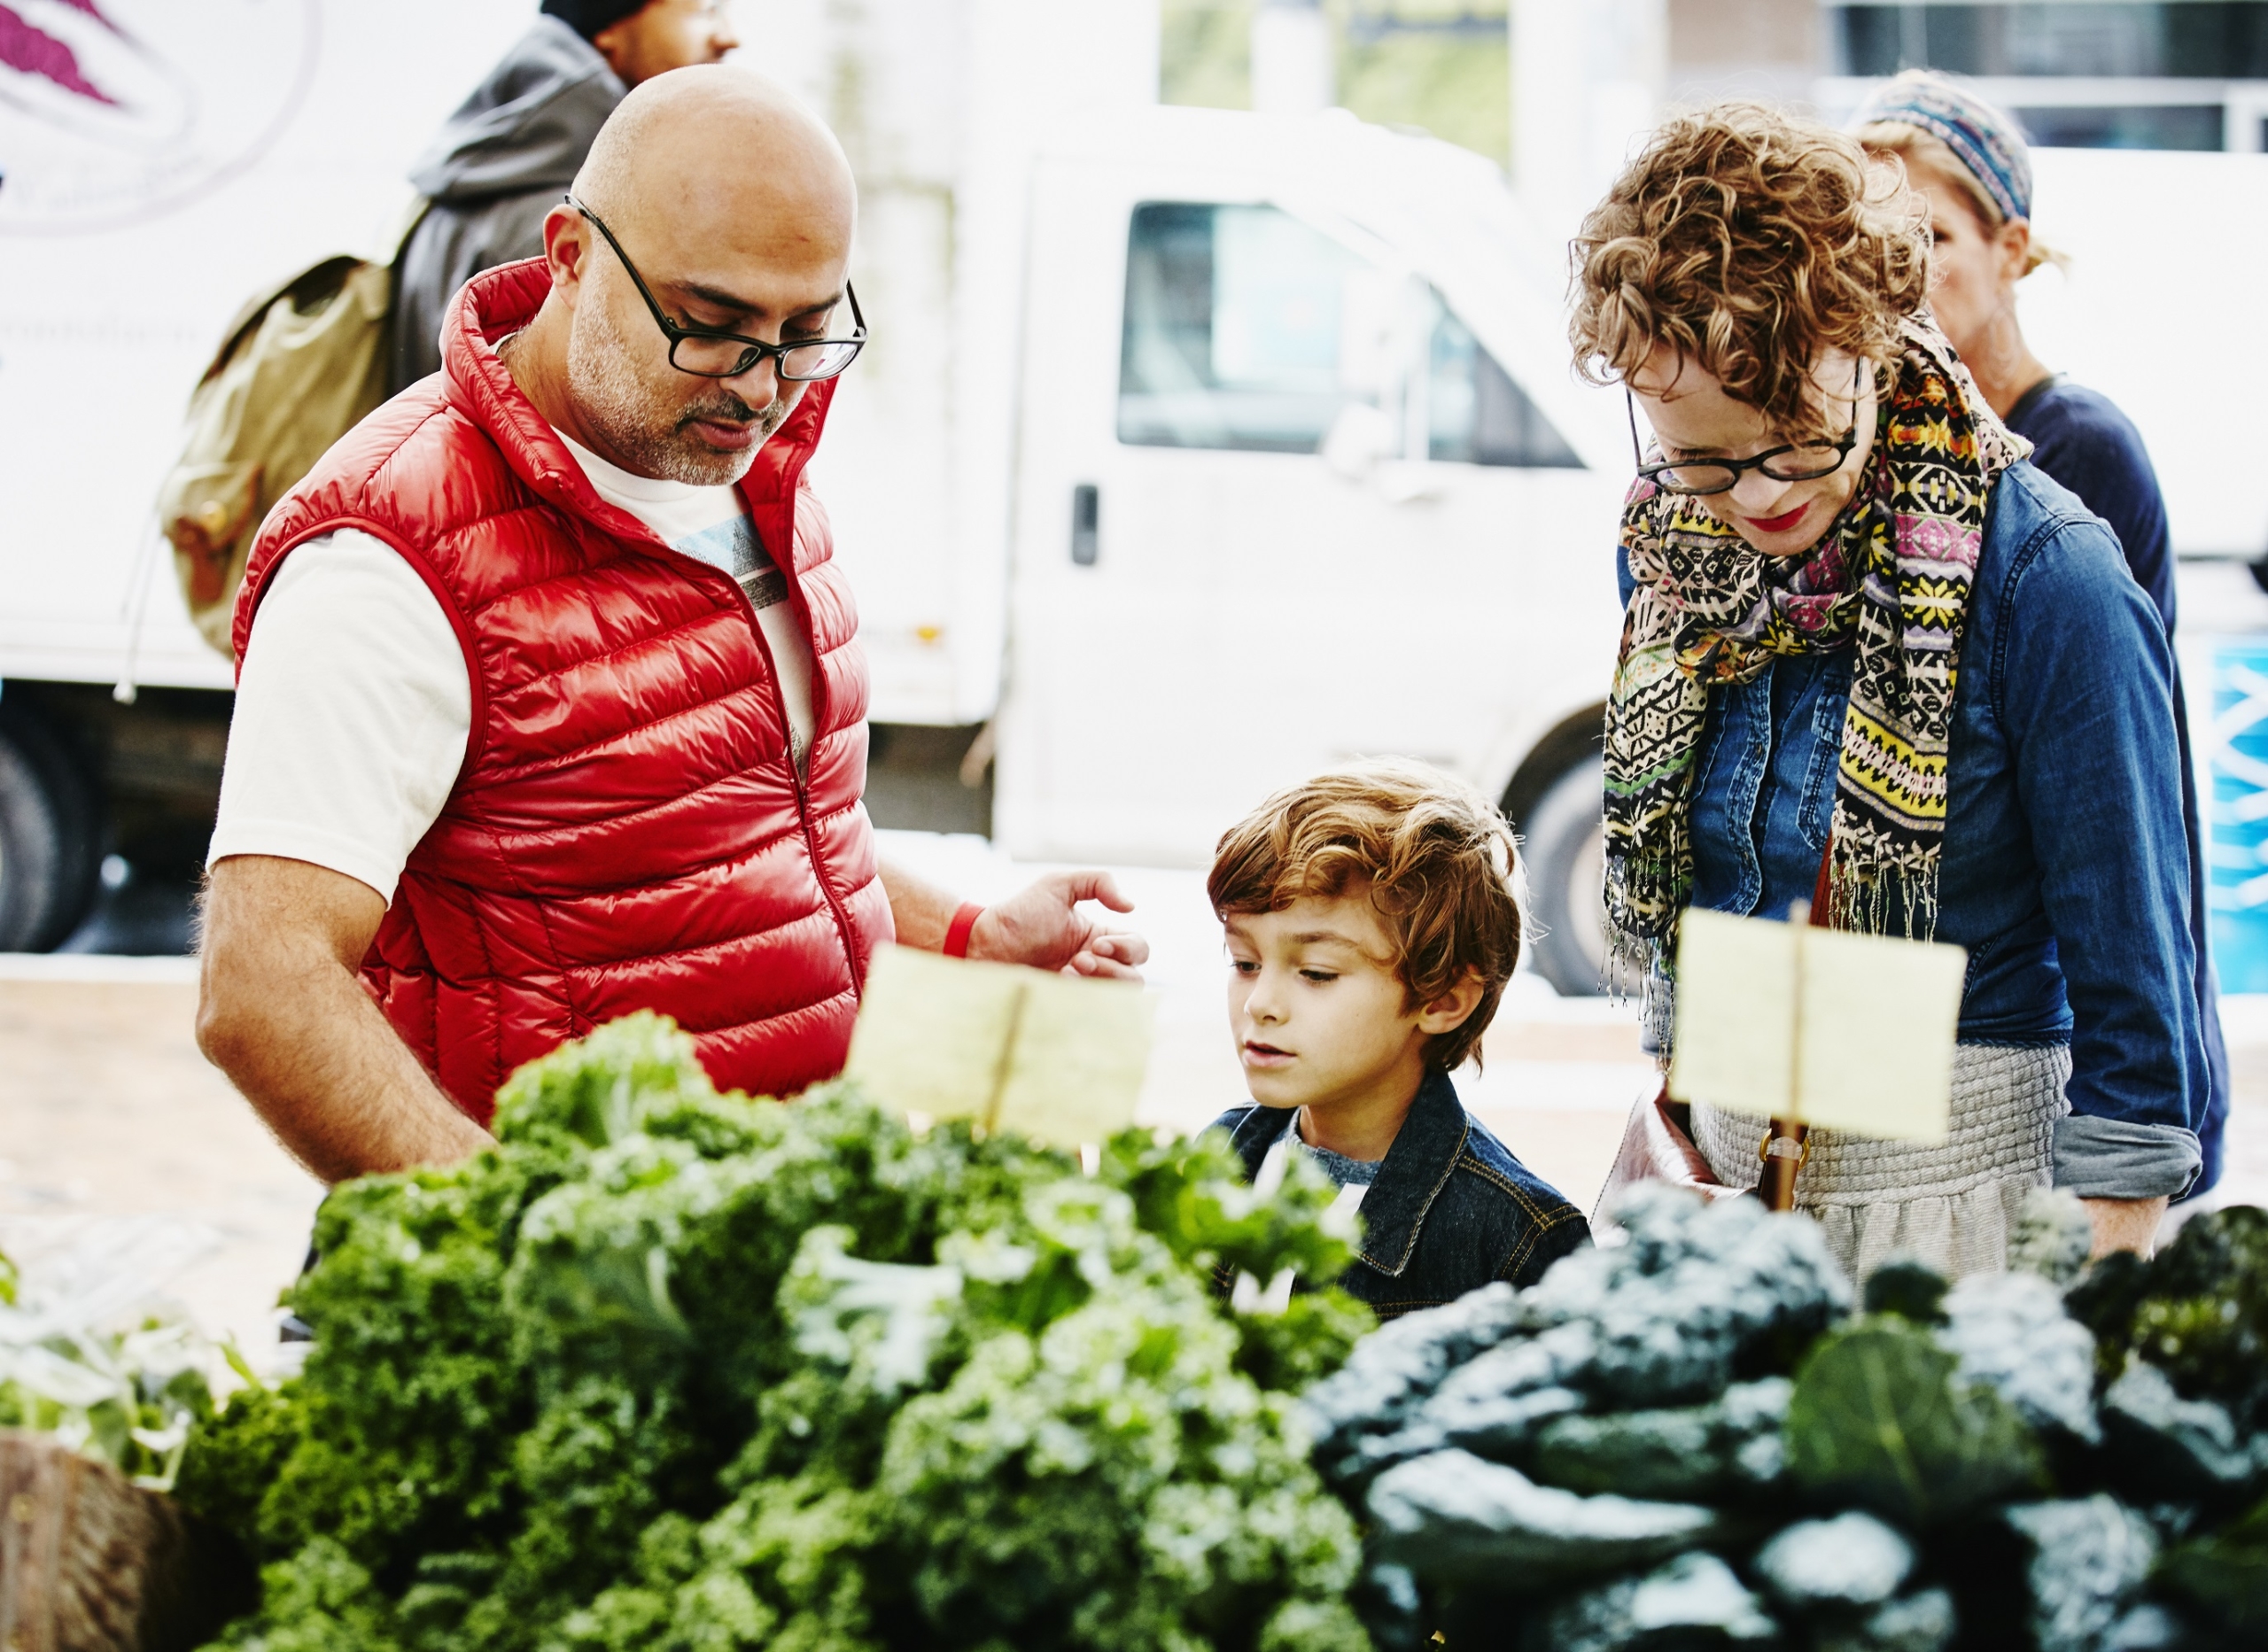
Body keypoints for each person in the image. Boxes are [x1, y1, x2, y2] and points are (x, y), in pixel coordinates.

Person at [197, 67, 1146, 1185]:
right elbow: (262, 989)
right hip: (588, 1302)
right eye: (712, 325)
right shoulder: (386, 560)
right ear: (567, 254)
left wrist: (965, 935)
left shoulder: (747, 467)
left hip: (768, 1240)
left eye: (807, 329)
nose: (762, 384)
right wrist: (528, 1259)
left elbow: (739, 827)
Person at [1574, 105, 2205, 1277]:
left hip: (1960, 1210)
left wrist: (2087, 1300)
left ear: (1871, 330)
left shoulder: (2046, 581)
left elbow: (2140, 1003)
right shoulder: (1671, 553)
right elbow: (1692, 897)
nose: (1753, 498)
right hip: (1725, 1197)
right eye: (1701, 455)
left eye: (1798, 439)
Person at [1852, 71, 2230, 1198]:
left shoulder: (2072, 452)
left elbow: (2100, 792)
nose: (1898, 269)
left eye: (1930, 234)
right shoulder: (1863, 451)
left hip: (2060, 1001)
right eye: (1870, 239)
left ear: (2011, 246)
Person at [1205, 762, 1589, 1317]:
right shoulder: (1224, 1153)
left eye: (1315, 972)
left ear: (1444, 1000)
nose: (1259, 1003)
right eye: (1244, 961)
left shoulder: (1516, 1241)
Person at [388, 0, 742, 394]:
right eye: (706, 9)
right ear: (609, 27)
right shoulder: (576, 218)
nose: (730, 37)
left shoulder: (469, 177)